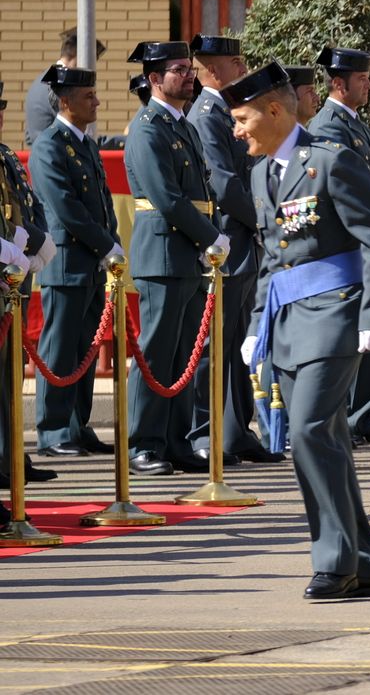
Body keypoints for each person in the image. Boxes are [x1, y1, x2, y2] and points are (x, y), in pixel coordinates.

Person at [225, 61, 370, 599]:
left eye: (242, 119)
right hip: (288, 323)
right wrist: (257, 325)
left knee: (308, 433)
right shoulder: (260, 175)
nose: (237, 131)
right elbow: (273, 261)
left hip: (335, 315)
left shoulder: (330, 161)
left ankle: (333, 562)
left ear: (275, 110)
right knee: (328, 440)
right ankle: (363, 564)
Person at [122, 41, 230, 476]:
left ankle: (176, 440)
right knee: (157, 352)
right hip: (164, 254)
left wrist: (210, 236)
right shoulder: (149, 128)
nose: (189, 75)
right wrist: (211, 236)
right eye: (179, 70)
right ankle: (143, 444)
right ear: (154, 79)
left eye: (189, 68)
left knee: (185, 353)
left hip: (188, 253)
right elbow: (167, 199)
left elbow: (201, 192)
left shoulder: (181, 125)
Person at [187, 35, 279, 464]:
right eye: (235, 62)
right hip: (226, 240)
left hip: (243, 241)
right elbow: (223, 184)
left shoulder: (226, 111)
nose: (243, 68)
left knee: (239, 343)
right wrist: (262, 219)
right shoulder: (206, 116)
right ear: (213, 70)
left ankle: (237, 430)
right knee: (213, 346)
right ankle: (205, 432)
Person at [306, 47, 370, 446]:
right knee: (354, 328)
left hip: (368, 237)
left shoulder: (352, 121)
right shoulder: (329, 125)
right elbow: (355, 185)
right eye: (361, 78)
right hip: (352, 240)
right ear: (338, 83)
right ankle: (348, 416)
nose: (368, 84)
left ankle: (363, 415)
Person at [29, 66, 120, 462]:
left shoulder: (84, 143)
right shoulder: (49, 145)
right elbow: (66, 209)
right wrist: (106, 245)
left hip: (91, 262)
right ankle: (53, 430)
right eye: (88, 96)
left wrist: (112, 239)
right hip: (67, 263)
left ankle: (77, 426)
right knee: (60, 349)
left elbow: (102, 203)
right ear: (65, 101)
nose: (96, 101)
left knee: (85, 348)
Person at [0, 83, 59, 485]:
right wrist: (13, 247)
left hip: (13, 274)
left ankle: (10, 456)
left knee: (11, 376)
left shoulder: (5, 155)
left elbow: (25, 204)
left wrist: (35, 241)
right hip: (6, 266)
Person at [25, 28, 106, 147]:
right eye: (90, 61)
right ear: (79, 58)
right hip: (57, 152)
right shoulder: (57, 84)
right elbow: (76, 132)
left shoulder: (45, 79)